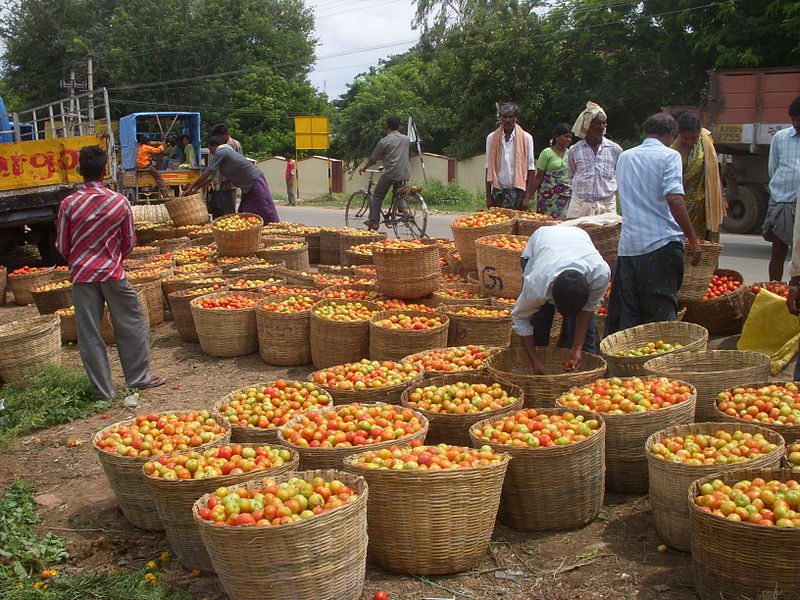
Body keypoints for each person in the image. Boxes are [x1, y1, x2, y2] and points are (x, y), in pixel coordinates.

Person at [55, 145, 165, 401]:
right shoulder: (119, 201)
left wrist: (81, 260)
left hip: (82, 276)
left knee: (89, 333)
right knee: (131, 323)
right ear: (105, 171)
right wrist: (112, 259)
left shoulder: (68, 204)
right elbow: (129, 242)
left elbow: (62, 245)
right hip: (113, 273)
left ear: (80, 170)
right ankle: (137, 378)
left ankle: (102, 391)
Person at [606, 113, 701, 335]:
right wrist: (693, 239)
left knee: (630, 311)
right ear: (670, 134)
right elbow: (674, 197)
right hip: (661, 243)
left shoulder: (626, 157)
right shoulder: (670, 156)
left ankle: (627, 363)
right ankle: (658, 362)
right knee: (661, 309)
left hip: (630, 247)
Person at [511, 226, 611, 374]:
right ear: (551, 291)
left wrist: (577, 348)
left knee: (584, 340)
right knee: (539, 321)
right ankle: (536, 371)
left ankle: (583, 372)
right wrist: (535, 361)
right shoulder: (537, 283)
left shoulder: (600, 274)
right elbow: (520, 318)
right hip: (540, 243)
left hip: (576, 235)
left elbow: (588, 309)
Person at [182, 136, 280, 224]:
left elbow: (206, 173)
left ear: (215, 145)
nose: (210, 151)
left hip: (254, 180)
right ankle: (253, 231)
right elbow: (211, 178)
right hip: (247, 184)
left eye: (210, 148)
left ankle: (276, 227)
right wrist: (195, 188)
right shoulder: (224, 154)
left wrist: (191, 187)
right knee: (246, 210)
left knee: (264, 206)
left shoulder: (221, 151)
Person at [671, 110, 726, 242]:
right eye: (684, 138)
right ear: (678, 134)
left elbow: (713, 168)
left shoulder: (705, 141)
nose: (689, 142)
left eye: (693, 138)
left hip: (704, 205)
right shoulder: (671, 150)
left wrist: (721, 195)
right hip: (681, 206)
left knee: (704, 246)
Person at [764, 95, 800, 282]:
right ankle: (774, 289)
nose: (796, 124)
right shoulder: (780, 138)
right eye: (794, 120)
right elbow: (773, 169)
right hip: (781, 202)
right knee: (778, 251)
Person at [566, 101, 623, 217]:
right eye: (598, 124)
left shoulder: (615, 149)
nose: (601, 127)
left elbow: (620, 175)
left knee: (608, 235)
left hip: (607, 205)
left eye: (604, 124)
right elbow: (571, 174)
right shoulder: (575, 150)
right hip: (580, 205)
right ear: (587, 125)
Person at [358, 115, 411, 230]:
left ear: (387, 126)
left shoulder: (384, 141)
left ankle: (375, 221)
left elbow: (373, 159)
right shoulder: (406, 139)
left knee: (377, 196)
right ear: (399, 126)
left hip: (391, 172)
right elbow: (397, 154)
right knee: (399, 192)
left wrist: (364, 168)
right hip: (405, 172)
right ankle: (404, 209)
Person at [484, 102, 536, 210]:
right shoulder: (491, 138)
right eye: (504, 117)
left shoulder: (526, 138)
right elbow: (489, 168)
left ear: (516, 118)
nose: (507, 120)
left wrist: (527, 197)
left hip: (519, 192)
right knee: (499, 225)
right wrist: (488, 196)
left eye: (510, 116)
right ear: (500, 118)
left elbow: (530, 168)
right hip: (498, 192)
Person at [529, 122, 573, 219]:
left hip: (565, 196)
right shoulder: (547, 153)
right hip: (548, 197)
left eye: (570, 137)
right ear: (556, 137)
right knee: (547, 222)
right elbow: (538, 178)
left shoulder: (570, 154)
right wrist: (527, 196)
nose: (568, 140)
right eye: (566, 136)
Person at [207, 123, 243, 218]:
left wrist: (227, 177)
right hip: (217, 183)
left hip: (230, 184)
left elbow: (238, 164)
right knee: (217, 210)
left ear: (225, 134)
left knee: (229, 212)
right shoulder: (217, 146)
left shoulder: (235, 145)